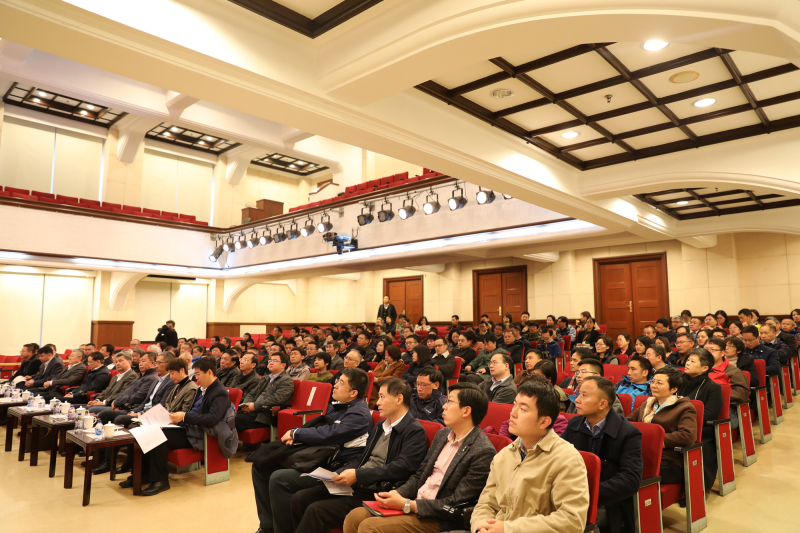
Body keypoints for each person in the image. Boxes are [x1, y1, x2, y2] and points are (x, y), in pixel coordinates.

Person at [344, 382, 496, 533]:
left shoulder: (482, 451)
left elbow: (456, 502)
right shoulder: (443, 435)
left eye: (449, 401)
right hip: (416, 502)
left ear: (466, 411)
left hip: (440, 518)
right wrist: (398, 493)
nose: (444, 406)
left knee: (370, 526)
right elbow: (420, 475)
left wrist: (408, 505)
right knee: (355, 516)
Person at [289, 378, 427, 532]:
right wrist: (340, 474)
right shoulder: (380, 426)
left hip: (377, 491)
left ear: (399, 399)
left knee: (316, 510)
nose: (377, 402)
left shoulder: (414, 431)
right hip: (358, 484)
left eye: (382, 397)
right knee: (300, 499)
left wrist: (358, 475)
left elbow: (402, 467)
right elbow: (363, 458)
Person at [254, 368, 373, 533]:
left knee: (279, 478)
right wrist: (297, 436)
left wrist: (297, 433)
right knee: (261, 465)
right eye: (337, 381)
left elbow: (329, 434)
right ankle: (268, 526)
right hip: (321, 457)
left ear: (353, 393)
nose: (335, 385)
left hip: (335, 468)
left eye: (341, 383)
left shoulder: (359, 414)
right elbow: (321, 431)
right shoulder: (338, 406)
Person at [471, 380, 590, 533]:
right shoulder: (504, 455)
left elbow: (572, 520)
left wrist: (508, 529)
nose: (512, 413)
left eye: (523, 409)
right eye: (514, 405)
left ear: (544, 421)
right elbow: (485, 504)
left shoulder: (566, 459)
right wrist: (481, 526)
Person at [130, 357, 230, 496]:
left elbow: (212, 419)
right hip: (188, 427)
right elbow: (192, 413)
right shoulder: (201, 389)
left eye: (198, 374)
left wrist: (184, 417)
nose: (196, 378)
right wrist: (178, 420)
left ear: (209, 372)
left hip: (201, 433)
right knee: (146, 431)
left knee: (158, 437)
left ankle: (160, 480)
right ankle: (144, 474)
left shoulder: (219, 392)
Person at [562, 376, 643, 533]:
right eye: (578, 394)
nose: (577, 400)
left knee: (565, 520)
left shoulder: (628, 433)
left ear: (602, 404)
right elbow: (558, 457)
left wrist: (587, 493)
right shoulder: (575, 424)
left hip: (606, 503)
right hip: (571, 493)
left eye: (584, 395)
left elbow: (631, 480)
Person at [92, 353, 176, 474]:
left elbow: (161, 406)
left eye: (159, 363)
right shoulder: (157, 380)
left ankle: (113, 461)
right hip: (139, 411)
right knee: (105, 414)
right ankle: (100, 456)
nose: (156, 365)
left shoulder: (169, 381)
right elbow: (145, 401)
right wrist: (135, 411)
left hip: (151, 416)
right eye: (156, 362)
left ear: (168, 364)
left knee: (120, 420)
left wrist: (139, 414)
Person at [627, 367, 697, 485]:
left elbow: (688, 436)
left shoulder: (684, 407)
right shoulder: (648, 404)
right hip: (641, 454)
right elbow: (627, 422)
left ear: (674, 389)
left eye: (659, 383)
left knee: (628, 470)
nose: (653, 386)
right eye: (653, 382)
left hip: (668, 461)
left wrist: (653, 440)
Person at [679, 348, 723, 491]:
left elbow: (709, 414)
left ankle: (696, 489)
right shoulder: (677, 382)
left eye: (692, 361)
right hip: (674, 425)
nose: (687, 363)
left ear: (704, 368)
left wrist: (683, 422)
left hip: (700, 429)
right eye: (688, 360)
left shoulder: (713, 387)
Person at [235, 352, 295, 431]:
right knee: (226, 416)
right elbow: (252, 393)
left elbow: (277, 399)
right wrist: (246, 405)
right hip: (252, 411)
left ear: (283, 365)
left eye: (275, 361)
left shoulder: (286, 380)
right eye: (270, 360)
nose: (271, 363)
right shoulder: (266, 378)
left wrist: (255, 406)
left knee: (231, 420)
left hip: (264, 415)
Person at [705, 338, 750, 426]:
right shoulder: (699, 370)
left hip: (725, 410)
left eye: (712, 350)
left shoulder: (733, 371)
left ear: (722, 353)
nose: (708, 353)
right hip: (703, 407)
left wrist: (715, 395)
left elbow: (742, 393)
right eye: (706, 349)